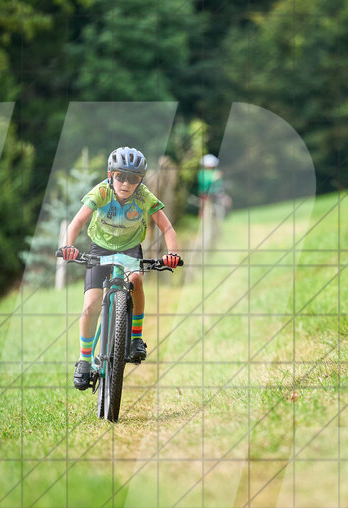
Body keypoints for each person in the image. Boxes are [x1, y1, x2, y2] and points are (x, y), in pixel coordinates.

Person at [58, 147, 181, 390]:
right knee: (91, 305)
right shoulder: (101, 192)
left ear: (140, 180)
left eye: (133, 178)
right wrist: (68, 246)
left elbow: (167, 228)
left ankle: (135, 338)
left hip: (130, 249)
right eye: (120, 176)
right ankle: (84, 360)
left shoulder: (144, 196)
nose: (126, 183)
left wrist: (172, 254)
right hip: (100, 249)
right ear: (110, 174)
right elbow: (78, 221)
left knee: (136, 279)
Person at [196, 153, 231, 219]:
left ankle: (223, 216)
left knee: (227, 202)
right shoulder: (202, 173)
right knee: (205, 211)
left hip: (217, 194)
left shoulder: (214, 172)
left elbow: (219, 184)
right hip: (206, 195)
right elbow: (207, 182)